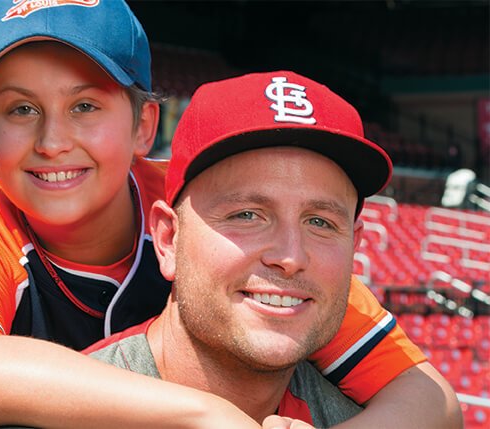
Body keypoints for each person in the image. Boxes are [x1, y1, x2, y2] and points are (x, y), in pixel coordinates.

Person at [0, 1, 462, 428]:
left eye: (85, 105)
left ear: (145, 125)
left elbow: (426, 396)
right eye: (22, 109)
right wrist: (205, 415)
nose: (53, 140)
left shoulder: (211, 206)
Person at [84, 70, 462, 428]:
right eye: (247, 215)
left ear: (354, 245)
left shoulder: (362, 416)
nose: (290, 257)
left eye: (320, 222)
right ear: (168, 239)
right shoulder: (59, 409)